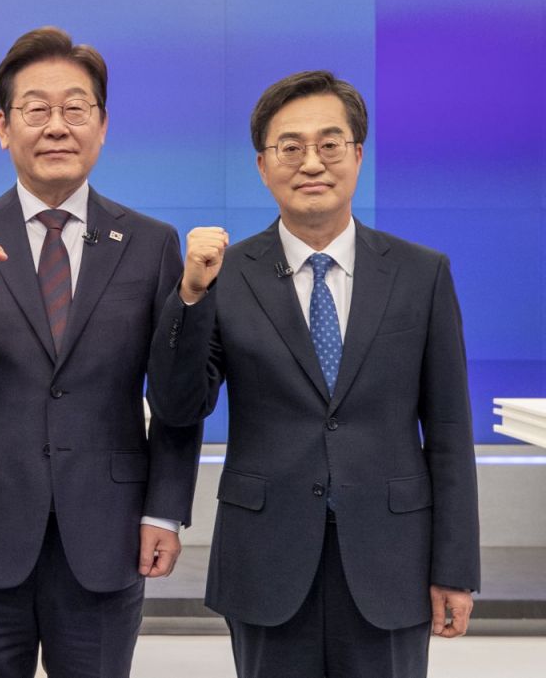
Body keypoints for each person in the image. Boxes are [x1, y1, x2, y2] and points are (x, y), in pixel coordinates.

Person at [147, 69, 480, 678]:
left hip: (392, 561)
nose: (311, 163)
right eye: (290, 147)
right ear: (262, 164)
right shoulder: (226, 274)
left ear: (358, 155)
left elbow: (451, 433)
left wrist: (455, 568)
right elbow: (178, 405)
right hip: (265, 558)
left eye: (329, 144)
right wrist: (189, 298)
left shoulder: (421, 274)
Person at [0, 26, 202, 678]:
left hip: (107, 535)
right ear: (3, 127)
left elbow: (176, 395)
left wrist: (165, 510)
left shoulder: (150, 245)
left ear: (103, 125)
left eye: (76, 108)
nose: (57, 126)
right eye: (36, 109)